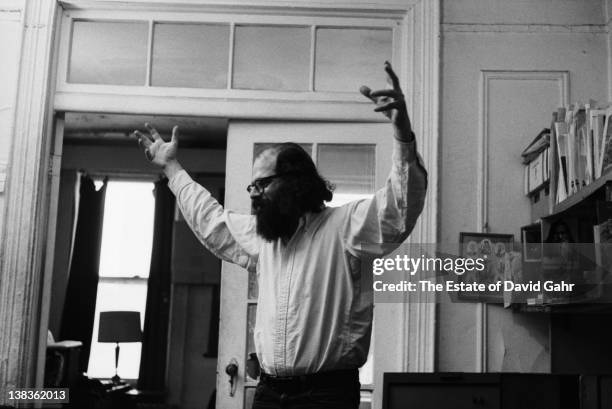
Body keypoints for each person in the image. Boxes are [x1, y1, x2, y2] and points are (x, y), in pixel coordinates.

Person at [133, 61, 427, 409]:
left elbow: (400, 207)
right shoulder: (263, 237)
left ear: (295, 182)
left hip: (326, 396)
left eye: (262, 184)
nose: (253, 194)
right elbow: (212, 221)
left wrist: (402, 136)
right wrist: (171, 168)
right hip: (270, 394)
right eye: (251, 185)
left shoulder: (346, 226)